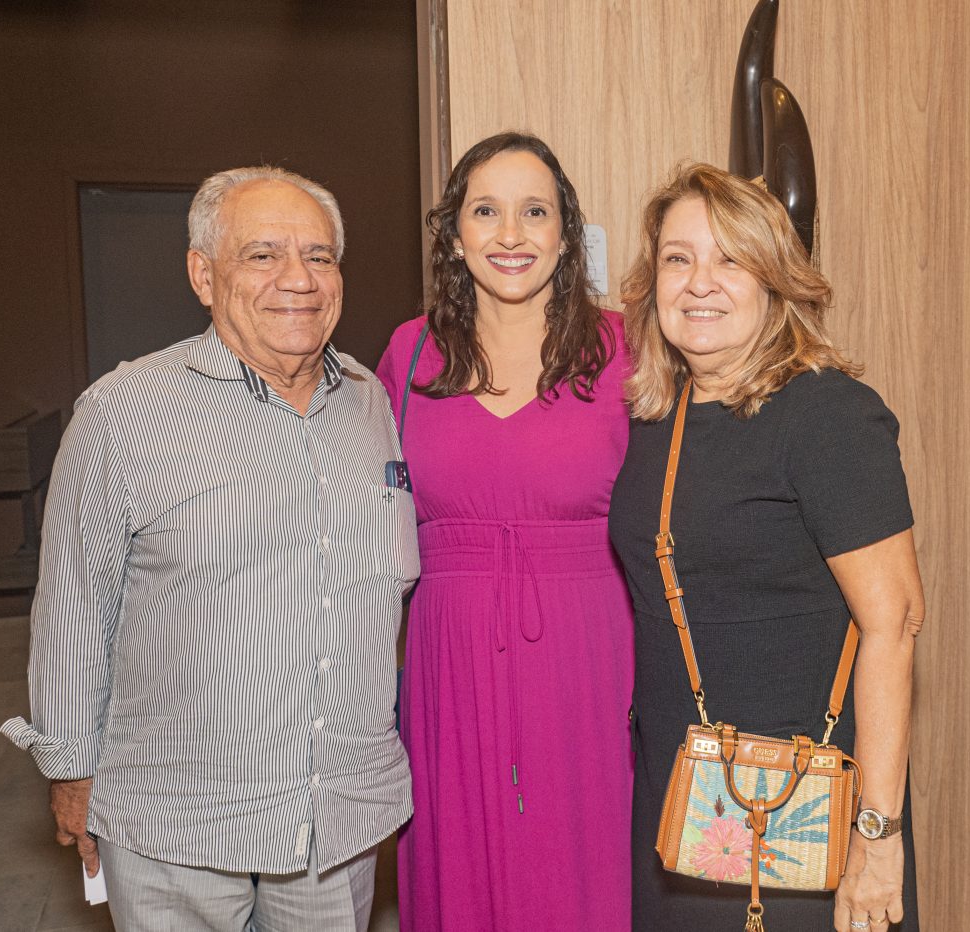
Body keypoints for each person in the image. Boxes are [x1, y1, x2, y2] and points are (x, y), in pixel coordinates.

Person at [0, 167, 418, 931]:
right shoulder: (123, 412)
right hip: (178, 821)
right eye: (262, 255)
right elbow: (71, 607)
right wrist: (71, 770)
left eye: (320, 257)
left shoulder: (372, 403)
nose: (299, 279)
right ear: (203, 273)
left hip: (338, 818)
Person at [609, 163, 925, 932]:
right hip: (683, 810)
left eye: (730, 259)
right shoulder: (659, 419)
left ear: (776, 282)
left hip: (804, 812)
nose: (700, 282)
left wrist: (877, 839)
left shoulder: (827, 417)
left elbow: (895, 623)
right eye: (678, 259)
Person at [375, 132, 633, 930]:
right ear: (455, 235)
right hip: (448, 660)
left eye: (535, 212)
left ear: (567, 234)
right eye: (486, 211)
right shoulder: (407, 354)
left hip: (591, 659)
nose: (511, 235)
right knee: (462, 868)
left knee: (586, 867)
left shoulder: (626, 349)